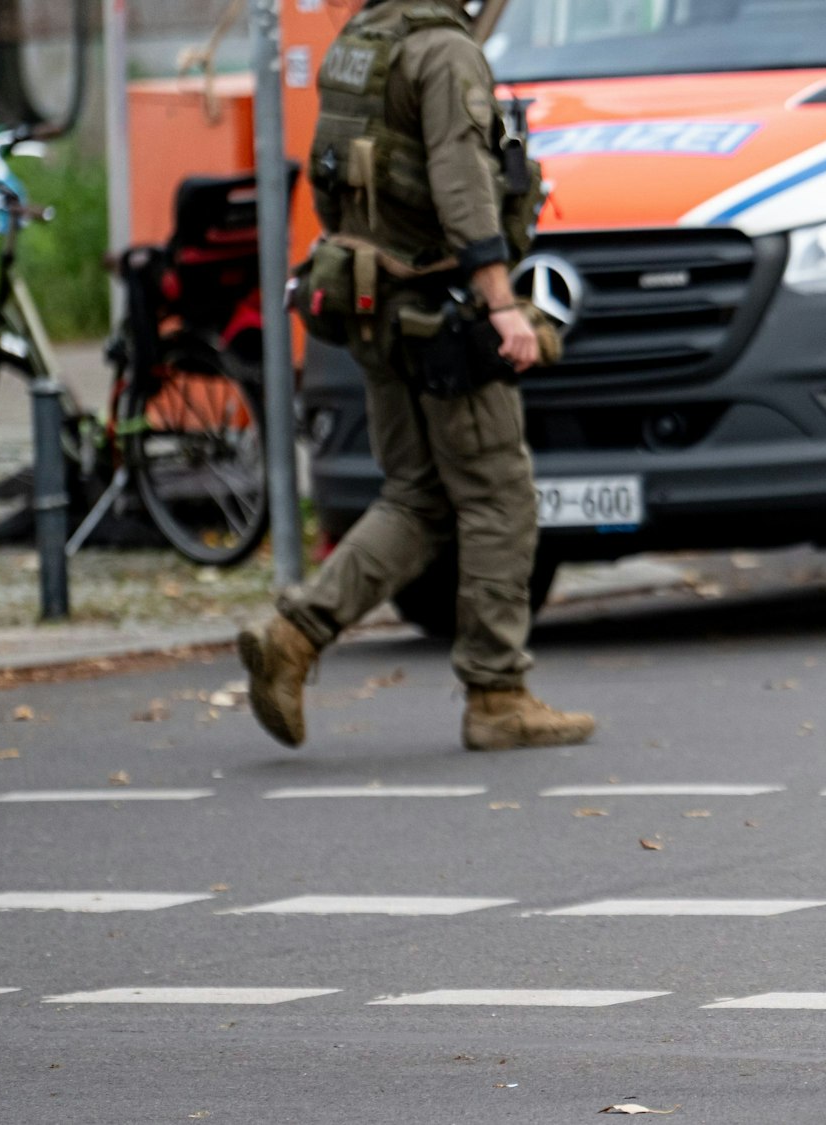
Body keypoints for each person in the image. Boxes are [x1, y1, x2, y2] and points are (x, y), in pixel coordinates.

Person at [238, 0, 594, 753]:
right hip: (440, 309)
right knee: (498, 495)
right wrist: (501, 303)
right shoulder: (444, 52)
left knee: (419, 495)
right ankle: (498, 694)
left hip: (371, 298)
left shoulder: (362, 42)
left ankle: (292, 636)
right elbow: (462, 180)